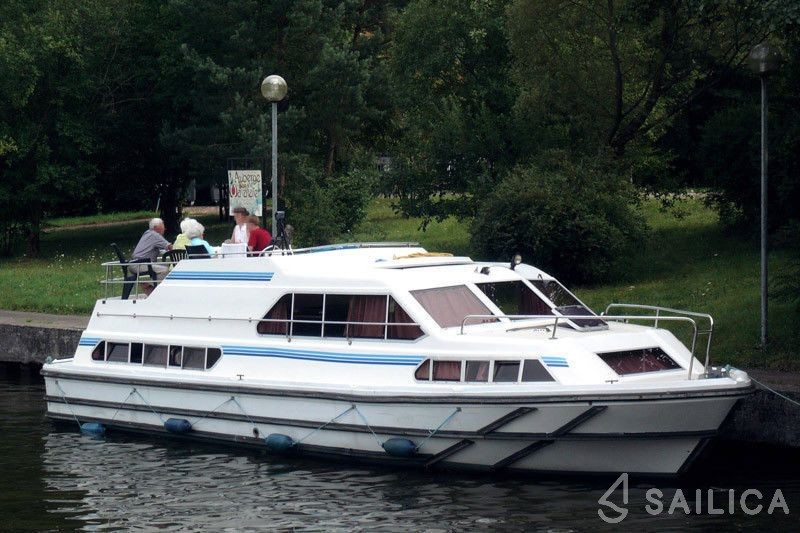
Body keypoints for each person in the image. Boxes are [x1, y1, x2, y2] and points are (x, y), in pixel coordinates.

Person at [129, 218, 172, 293]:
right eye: (163, 227)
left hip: (133, 264)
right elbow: (170, 247)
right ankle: (147, 284)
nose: (164, 229)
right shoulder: (155, 235)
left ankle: (153, 291)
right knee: (166, 270)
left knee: (160, 269)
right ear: (156, 227)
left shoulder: (147, 232)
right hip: (140, 264)